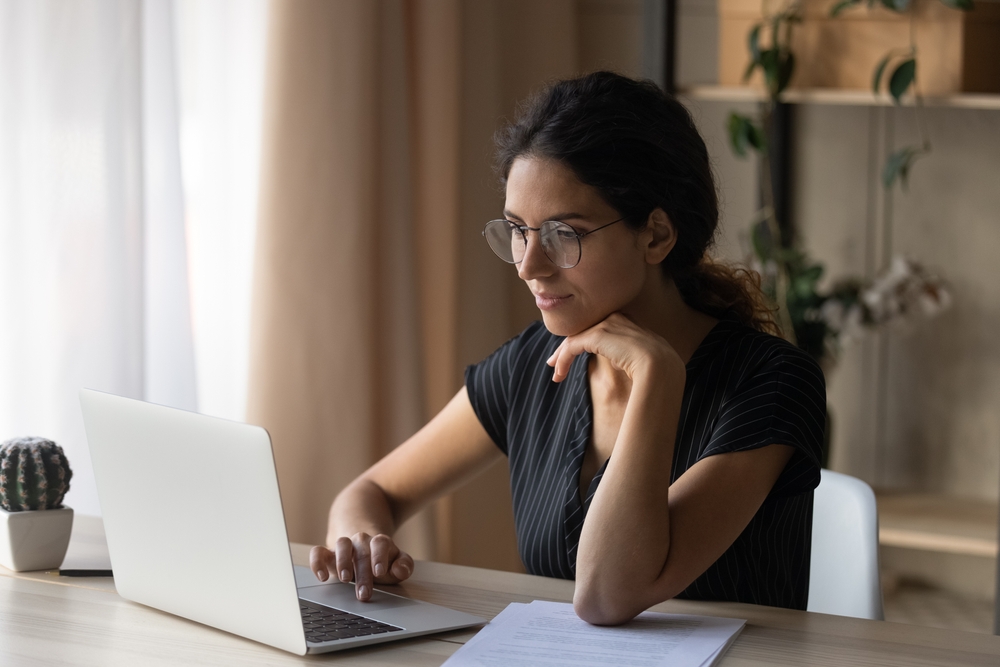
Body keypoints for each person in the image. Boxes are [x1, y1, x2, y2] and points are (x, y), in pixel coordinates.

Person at [310, 71, 826, 625]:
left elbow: (609, 595)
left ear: (655, 235)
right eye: (517, 229)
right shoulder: (535, 361)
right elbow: (371, 491)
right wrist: (360, 544)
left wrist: (656, 375)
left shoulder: (770, 382)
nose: (529, 265)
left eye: (563, 233)